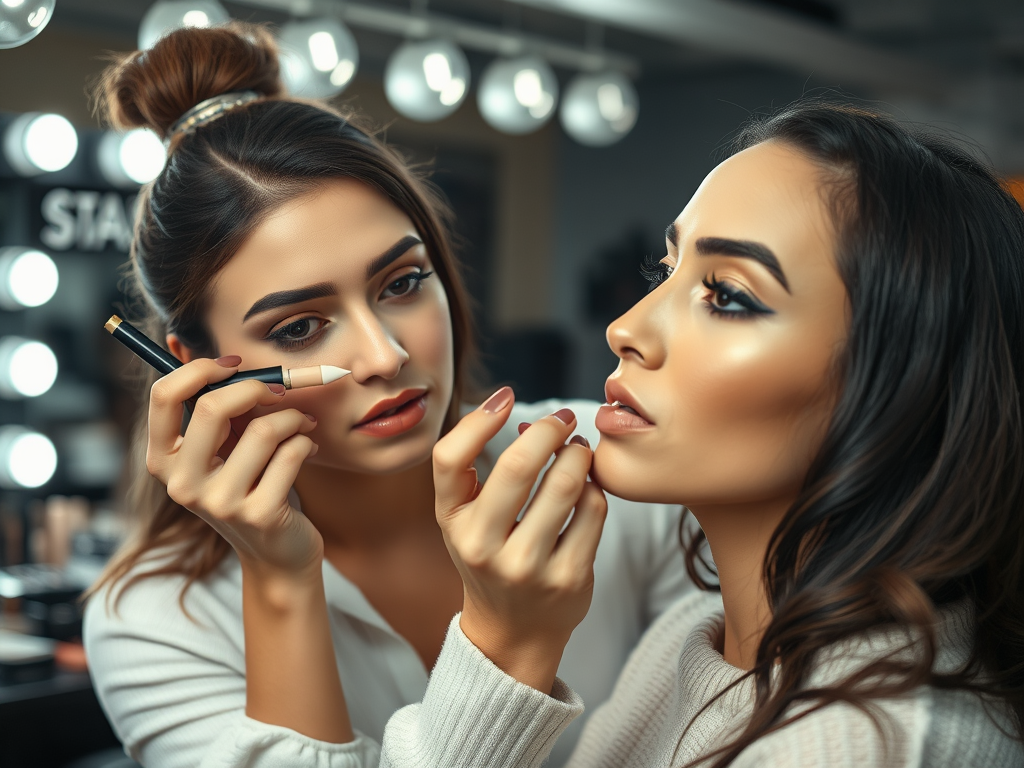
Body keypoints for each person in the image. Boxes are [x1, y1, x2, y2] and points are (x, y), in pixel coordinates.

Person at [81, 23, 690, 768]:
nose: (385, 355)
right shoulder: (153, 620)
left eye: (402, 284)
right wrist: (279, 584)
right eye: (300, 327)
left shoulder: (610, 469)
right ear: (194, 369)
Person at [365, 102, 1024, 766]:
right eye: (666, 269)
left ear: (902, 383)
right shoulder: (694, 639)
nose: (625, 328)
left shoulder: (866, 748)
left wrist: (501, 648)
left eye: (729, 296)